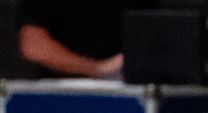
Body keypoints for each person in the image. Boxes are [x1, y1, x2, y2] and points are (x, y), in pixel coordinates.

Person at [15, 0, 147, 79]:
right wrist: (97, 69)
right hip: (61, 96)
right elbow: (34, 46)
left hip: (129, 94)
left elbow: (154, 33)